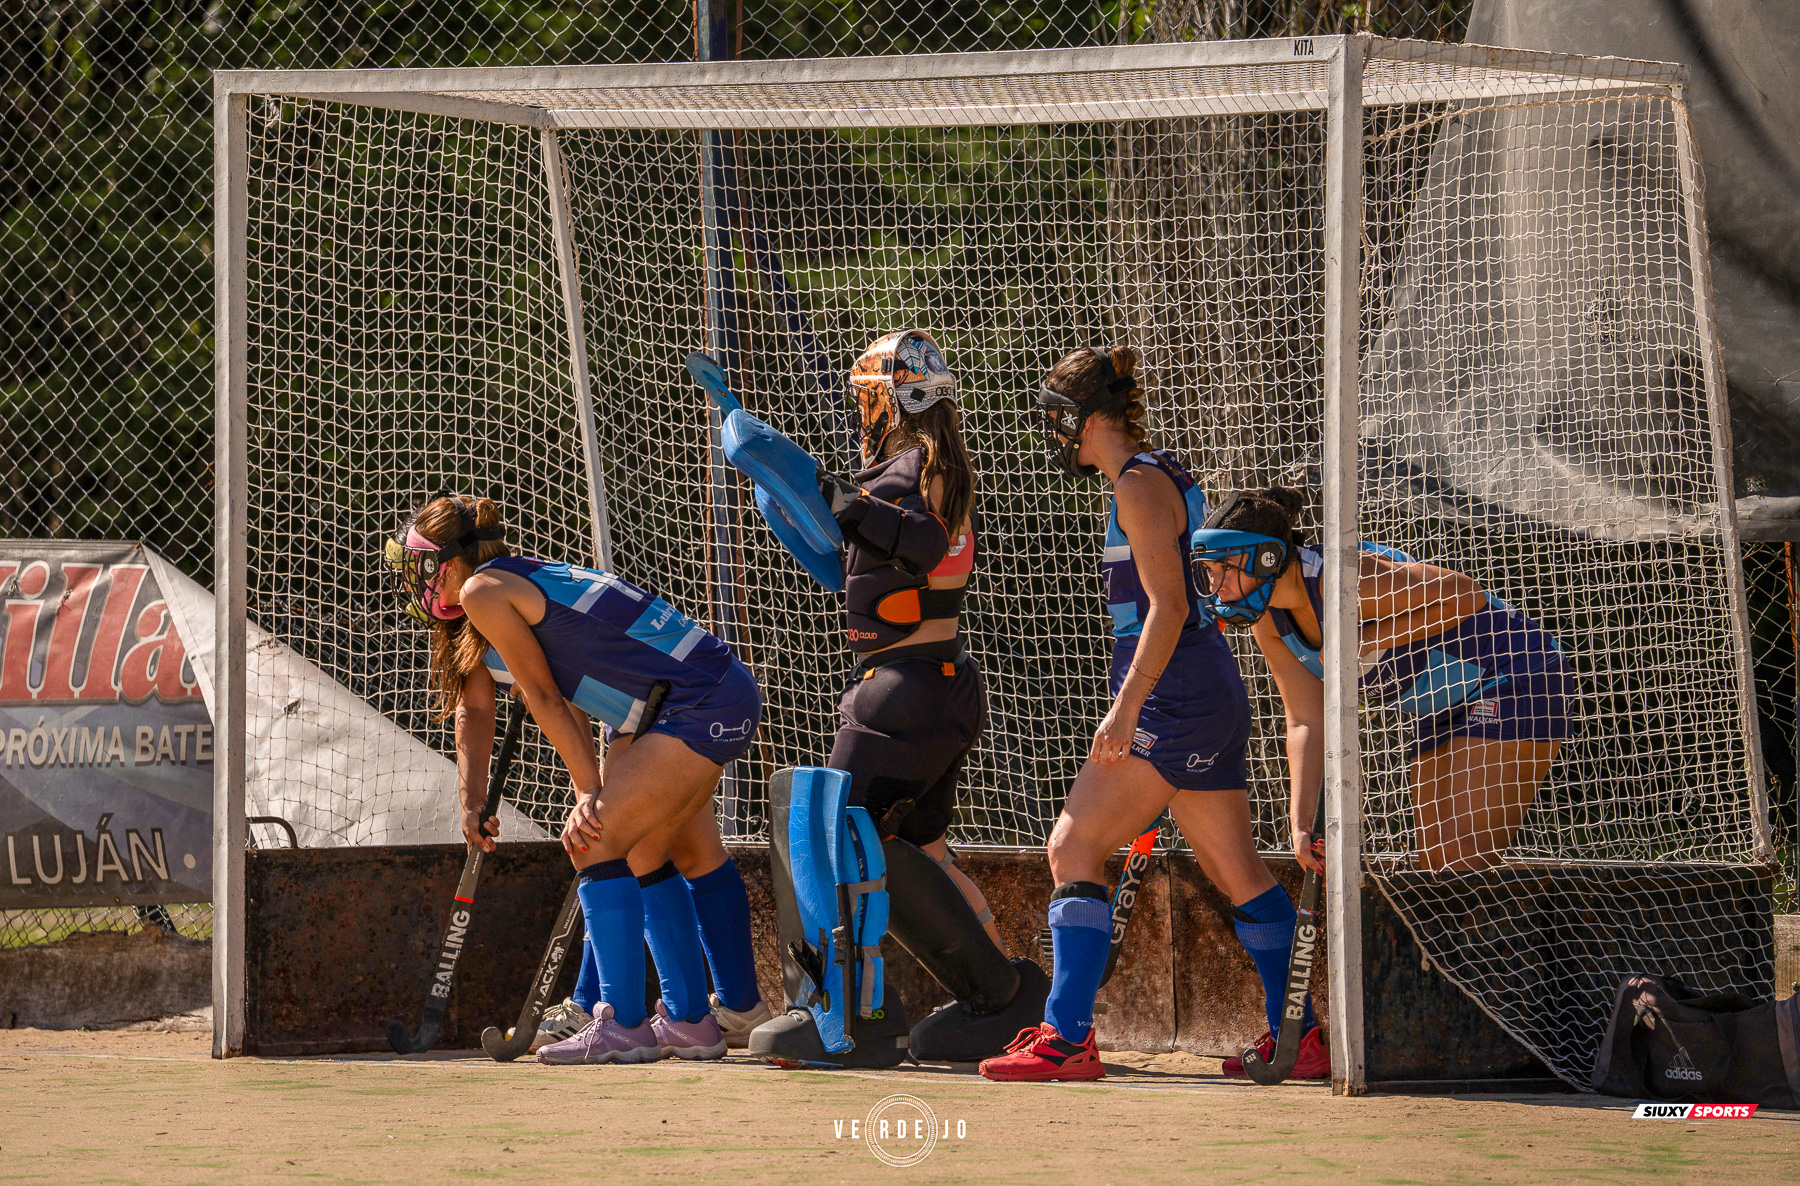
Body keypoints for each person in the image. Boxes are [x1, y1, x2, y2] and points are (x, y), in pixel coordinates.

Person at [980, 346, 1324, 1084]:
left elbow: (1168, 608)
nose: (1053, 437)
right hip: (1204, 689)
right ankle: (1302, 1035)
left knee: (1072, 849)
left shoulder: (1136, 486)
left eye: (1056, 422)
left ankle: (1066, 1038)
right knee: (1239, 872)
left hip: (1173, 694)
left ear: (1081, 420)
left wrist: (1124, 710)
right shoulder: (1162, 470)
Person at [383, 494, 768, 1065]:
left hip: (694, 699)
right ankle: (692, 1022)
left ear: (453, 559)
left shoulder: (482, 591)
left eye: (421, 566)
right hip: (671, 704)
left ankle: (622, 1024)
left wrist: (590, 793)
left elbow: (545, 696)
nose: (416, 583)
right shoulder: (490, 599)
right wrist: (472, 800)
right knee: (644, 851)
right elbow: (482, 709)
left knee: (593, 839)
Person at [749, 329, 1047, 1067]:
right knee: (917, 851)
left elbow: (913, 541)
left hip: (903, 695)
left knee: (826, 834)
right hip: (932, 687)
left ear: (891, 396)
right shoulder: (922, 466)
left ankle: (841, 1021)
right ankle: (1004, 1000)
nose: (861, 411)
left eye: (866, 397)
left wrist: (825, 490)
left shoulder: (925, 466)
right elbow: (870, 573)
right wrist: (788, 504)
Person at [1188, 486, 1568, 875]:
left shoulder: (1339, 577)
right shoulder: (1268, 620)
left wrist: (1365, 640)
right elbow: (1304, 720)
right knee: (1435, 866)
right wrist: (1299, 824)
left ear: (1267, 558)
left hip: (1511, 673)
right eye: (1210, 572)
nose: (1217, 586)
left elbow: (1466, 594)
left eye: (1225, 568)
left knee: (1463, 857)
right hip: (1439, 703)